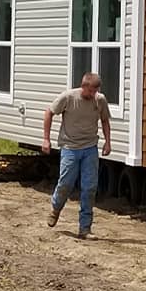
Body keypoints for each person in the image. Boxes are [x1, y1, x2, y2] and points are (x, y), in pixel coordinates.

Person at [43, 72, 112, 239]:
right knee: (66, 183)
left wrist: (108, 142)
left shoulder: (100, 100)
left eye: (96, 91)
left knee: (89, 187)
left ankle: (85, 228)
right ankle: (56, 208)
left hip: (90, 148)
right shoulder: (68, 97)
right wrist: (46, 139)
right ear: (84, 87)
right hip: (70, 147)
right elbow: (49, 112)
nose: (93, 95)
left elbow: (104, 120)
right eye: (91, 91)